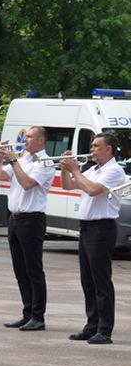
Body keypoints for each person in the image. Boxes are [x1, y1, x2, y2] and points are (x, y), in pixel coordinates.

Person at [60, 133, 127, 345]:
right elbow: (68, 186)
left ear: (109, 150)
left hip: (102, 228)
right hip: (87, 227)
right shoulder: (95, 169)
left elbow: (91, 190)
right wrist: (64, 167)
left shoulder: (114, 171)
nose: (92, 149)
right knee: (87, 279)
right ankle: (92, 325)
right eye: (92, 145)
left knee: (100, 280)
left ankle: (105, 330)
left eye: (97, 146)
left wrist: (75, 170)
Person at [0, 127, 55, 331]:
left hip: (32, 219)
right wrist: (1, 156)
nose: (24, 140)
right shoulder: (23, 159)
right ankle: (27, 313)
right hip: (15, 219)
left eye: (29, 137)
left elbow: (27, 183)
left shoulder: (44, 162)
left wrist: (14, 161)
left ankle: (38, 316)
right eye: (25, 136)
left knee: (33, 269)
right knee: (20, 270)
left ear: (41, 141)